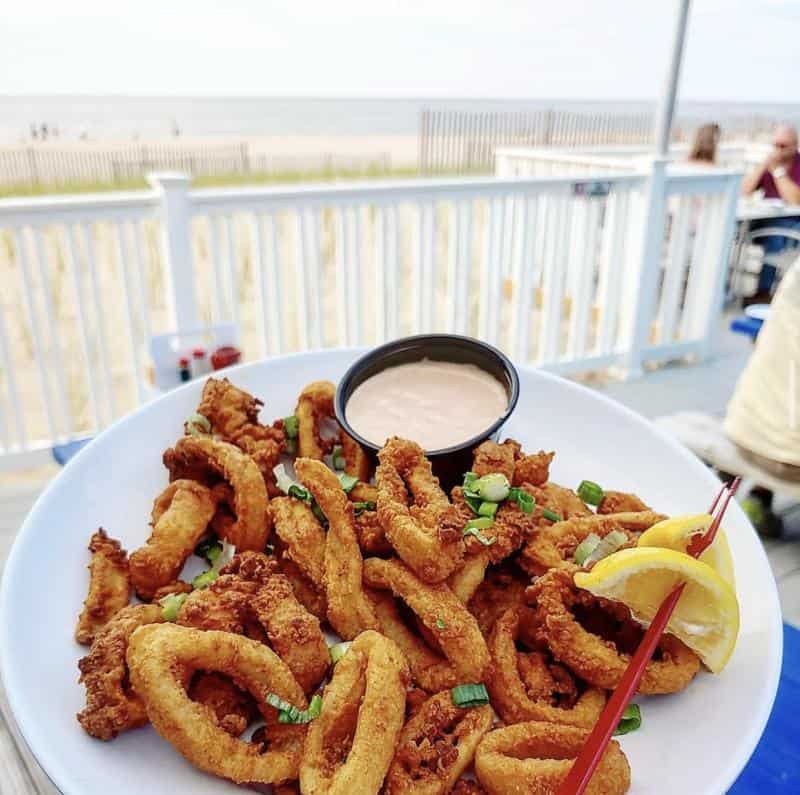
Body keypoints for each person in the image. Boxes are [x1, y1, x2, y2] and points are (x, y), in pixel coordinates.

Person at [741, 123, 800, 302]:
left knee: (776, 236)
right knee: (731, 228)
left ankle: (763, 291)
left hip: (791, 221)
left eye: (784, 146)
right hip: (764, 218)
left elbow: (795, 200)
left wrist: (778, 173)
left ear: (794, 146)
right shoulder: (768, 164)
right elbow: (744, 191)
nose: (779, 150)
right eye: (776, 145)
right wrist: (762, 167)